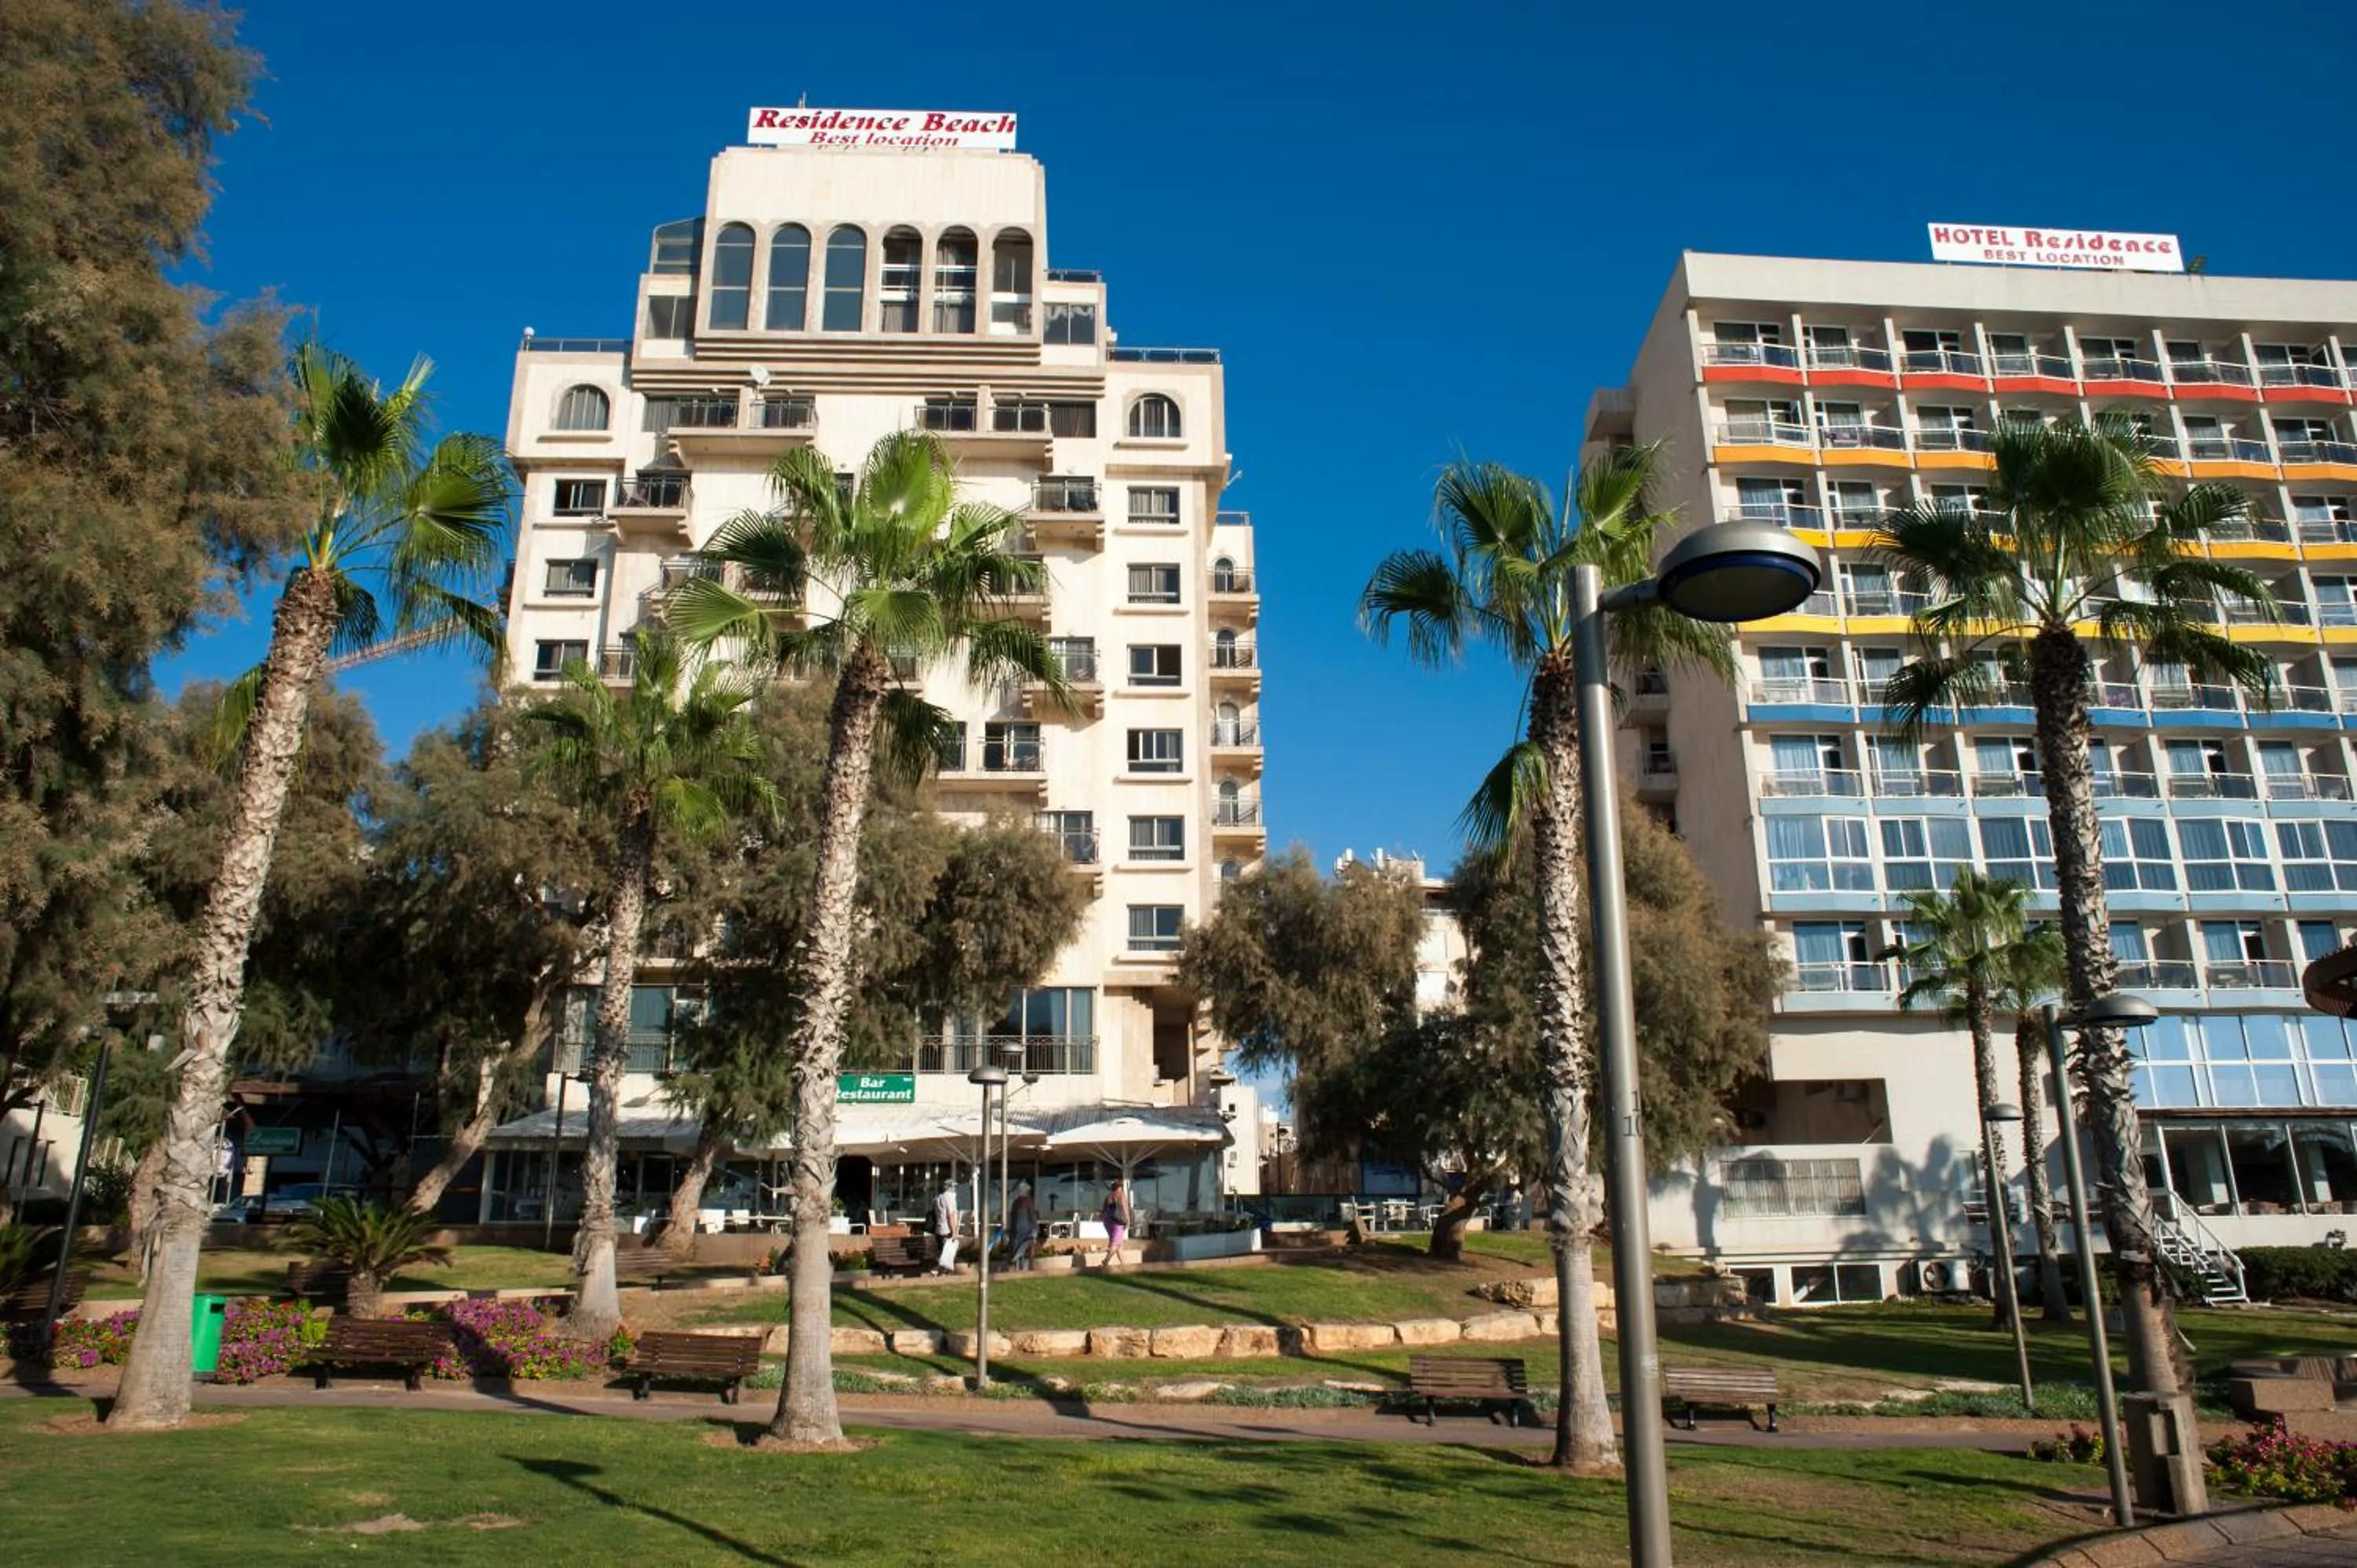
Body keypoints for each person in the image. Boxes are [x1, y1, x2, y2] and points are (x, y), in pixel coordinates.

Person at [1099, 1178, 1131, 1269]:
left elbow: (1104, 1210)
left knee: (1119, 1243)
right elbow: (1125, 1208)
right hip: (1118, 1222)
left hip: (1108, 1222)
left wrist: (1102, 1218)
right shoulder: (1121, 1195)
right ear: (1120, 1187)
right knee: (1115, 1244)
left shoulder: (1108, 1196)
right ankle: (1105, 1261)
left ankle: (1123, 1264)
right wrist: (1128, 1220)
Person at [1008, 1181, 1039, 1271]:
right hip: (1026, 1228)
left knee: (1018, 1246)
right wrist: (1035, 1227)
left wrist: (1011, 1229)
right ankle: (1023, 1268)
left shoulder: (1015, 1202)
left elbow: (1012, 1217)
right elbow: (1032, 1215)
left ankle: (1019, 1266)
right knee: (1025, 1247)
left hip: (1016, 1229)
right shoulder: (1028, 1201)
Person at [932, 1177, 960, 1273]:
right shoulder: (949, 1197)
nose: (955, 1189)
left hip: (939, 1229)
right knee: (946, 1256)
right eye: (953, 1187)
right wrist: (954, 1232)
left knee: (943, 1254)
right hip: (947, 1230)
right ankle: (936, 1270)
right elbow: (951, 1215)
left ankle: (940, 1274)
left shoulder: (938, 1198)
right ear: (949, 1187)